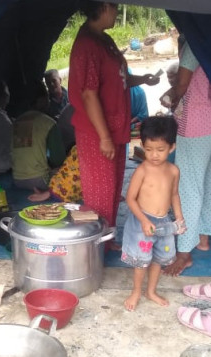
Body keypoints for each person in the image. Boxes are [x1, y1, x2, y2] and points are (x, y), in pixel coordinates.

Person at [68, 1, 160, 233]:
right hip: (98, 132)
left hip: (114, 130)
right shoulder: (87, 44)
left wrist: (143, 79)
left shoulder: (103, 39)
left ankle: (106, 240)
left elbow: (118, 79)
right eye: (114, 6)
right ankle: (95, 246)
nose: (117, 12)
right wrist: (104, 137)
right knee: (99, 192)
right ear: (101, 7)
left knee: (111, 188)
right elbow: (89, 94)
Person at [160, 42, 211, 276]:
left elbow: (181, 84)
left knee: (188, 187)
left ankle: (184, 253)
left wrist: (169, 97)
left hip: (195, 122)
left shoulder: (193, 44)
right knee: (209, 182)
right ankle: (203, 239)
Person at [121, 116, 185, 311]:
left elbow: (174, 195)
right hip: (142, 223)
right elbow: (130, 199)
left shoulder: (173, 170)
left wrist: (180, 218)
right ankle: (136, 291)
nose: (154, 155)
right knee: (141, 261)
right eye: (149, 150)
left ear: (171, 147)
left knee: (158, 259)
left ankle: (151, 291)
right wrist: (142, 220)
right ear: (142, 145)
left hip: (164, 223)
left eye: (160, 150)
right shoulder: (142, 170)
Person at [11, 81, 66, 201]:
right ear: (41, 100)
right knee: (70, 170)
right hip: (40, 180)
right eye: (46, 96)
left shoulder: (17, 121)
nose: (49, 100)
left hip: (17, 180)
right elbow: (59, 159)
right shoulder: (48, 122)